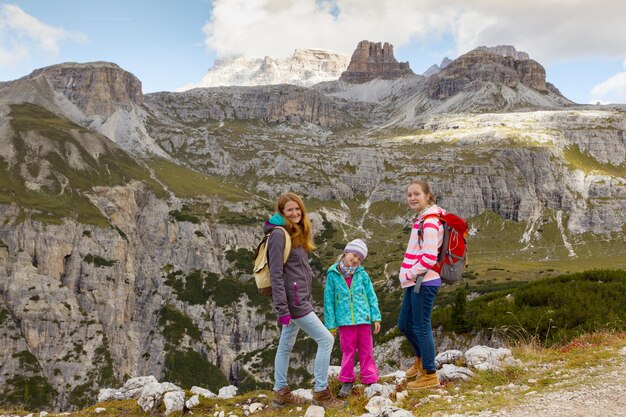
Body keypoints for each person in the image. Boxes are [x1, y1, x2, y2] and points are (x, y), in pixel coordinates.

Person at [266, 192, 346, 409]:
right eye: (289, 210)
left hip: (299, 298)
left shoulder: (295, 233)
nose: (295, 213)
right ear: (282, 213)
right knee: (326, 340)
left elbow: (298, 271)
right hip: (293, 302)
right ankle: (321, 392)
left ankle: (280, 391)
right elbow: (276, 275)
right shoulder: (279, 235)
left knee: (286, 344)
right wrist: (282, 309)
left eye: (297, 209)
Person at [397, 180, 444, 390]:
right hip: (415, 281)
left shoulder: (430, 221)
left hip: (424, 280)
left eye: (417, 194)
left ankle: (429, 374)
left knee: (421, 326)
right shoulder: (423, 218)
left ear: (427, 196)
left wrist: (407, 272)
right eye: (409, 195)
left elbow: (429, 258)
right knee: (405, 324)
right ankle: (420, 360)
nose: (412, 198)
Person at [323, 238, 382, 398]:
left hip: (363, 319)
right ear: (345, 252)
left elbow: (371, 295)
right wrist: (331, 326)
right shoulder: (333, 274)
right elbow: (328, 301)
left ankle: (369, 378)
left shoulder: (362, 274)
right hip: (344, 322)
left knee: (366, 349)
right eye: (354, 255)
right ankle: (347, 380)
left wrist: (375, 317)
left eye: (359, 258)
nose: (355, 260)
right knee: (348, 351)